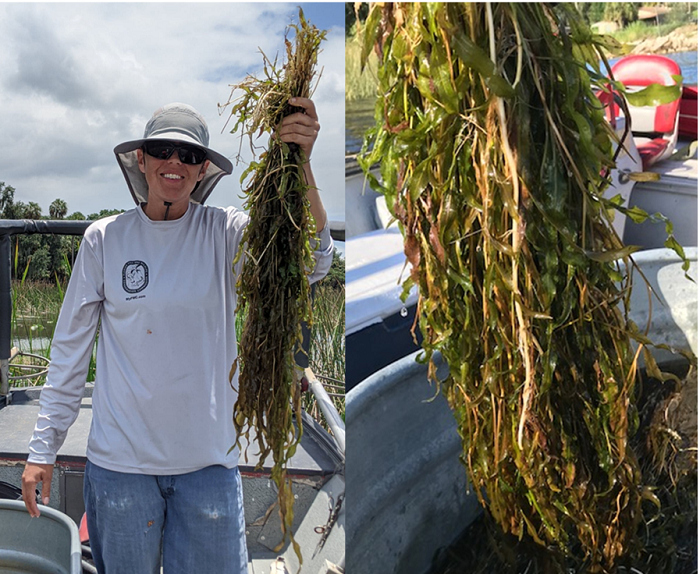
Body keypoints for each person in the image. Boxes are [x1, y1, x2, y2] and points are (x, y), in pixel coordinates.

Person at [21, 99, 333, 574]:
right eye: (162, 149)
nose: (175, 162)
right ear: (140, 159)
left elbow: (313, 260)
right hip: (120, 468)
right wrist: (42, 451)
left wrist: (301, 160)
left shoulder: (226, 233)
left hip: (208, 465)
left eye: (188, 155)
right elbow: (68, 354)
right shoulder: (104, 239)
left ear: (203, 168)